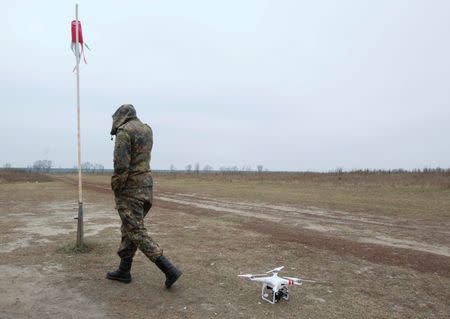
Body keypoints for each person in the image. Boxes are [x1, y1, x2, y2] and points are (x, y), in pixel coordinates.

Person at [106, 104, 181, 288]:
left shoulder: (124, 132)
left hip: (130, 190)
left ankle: (169, 269)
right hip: (146, 188)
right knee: (130, 228)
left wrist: (117, 187)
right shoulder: (147, 130)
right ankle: (124, 270)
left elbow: (121, 165)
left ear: (119, 117)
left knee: (136, 231)